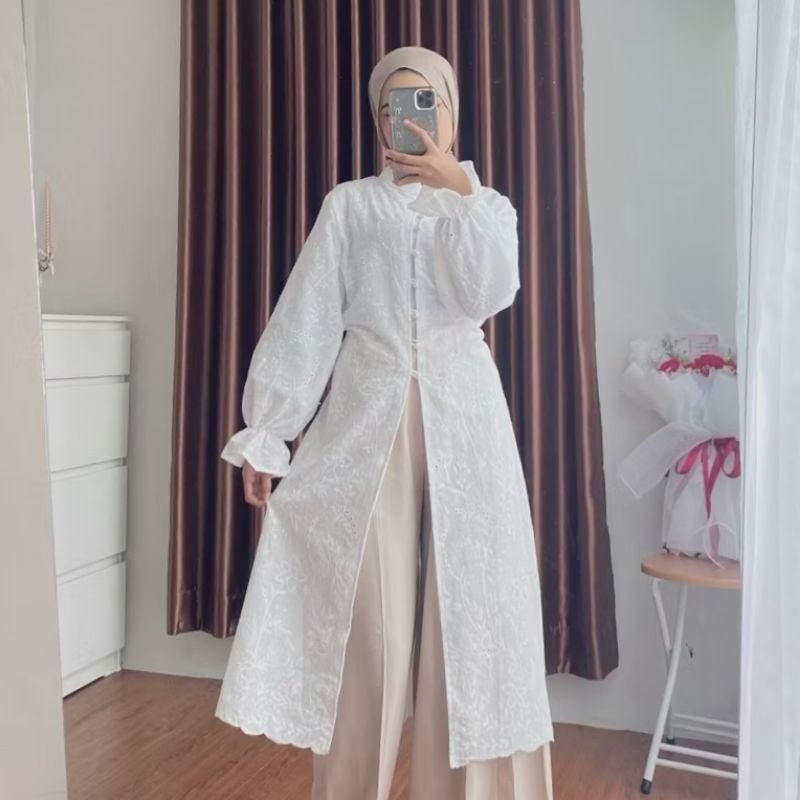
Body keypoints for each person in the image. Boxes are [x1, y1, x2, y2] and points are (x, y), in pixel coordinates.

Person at [216, 46, 554, 800]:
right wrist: (268, 433)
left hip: (467, 421)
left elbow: (491, 293)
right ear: (377, 121)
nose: (408, 119)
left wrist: (459, 189)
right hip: (365, 422)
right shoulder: (349, 206)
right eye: (392, 107)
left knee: (474, 623)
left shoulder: (484, 208)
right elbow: (308, 315)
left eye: (425, 102)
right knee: (364, 626)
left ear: (450, 113)